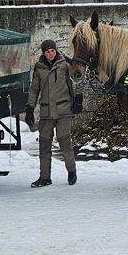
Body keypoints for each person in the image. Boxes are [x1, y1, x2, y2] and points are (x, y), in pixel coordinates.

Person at [25, 39, 81, 187]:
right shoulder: (39, 68)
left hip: (63, 110)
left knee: (64, 142)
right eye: (47, 52)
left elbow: (77, 79)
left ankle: (71, 171)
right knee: (44, 144)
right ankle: (45, 177)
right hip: (46, 112)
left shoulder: (64, 65)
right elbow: (34, 89)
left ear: (56, 51)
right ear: (43, 53)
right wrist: (29, 108)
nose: (50, 54)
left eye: (52, 51)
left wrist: (77, 101)